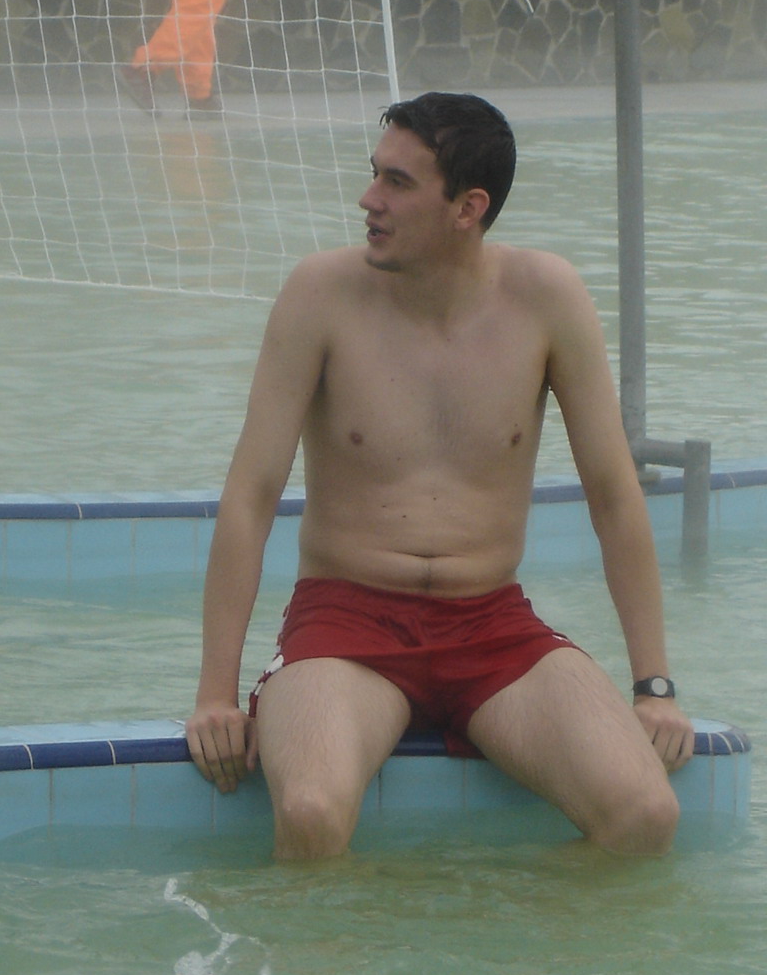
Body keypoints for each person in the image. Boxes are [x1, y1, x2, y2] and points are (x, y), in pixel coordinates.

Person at [185, 91, 694, 860]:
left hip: (491, 624)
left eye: (397, 183)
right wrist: (214, 695)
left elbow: (615, 498)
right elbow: (252, 496)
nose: (369, 199)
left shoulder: (546, 297)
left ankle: (490, 930)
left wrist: (654, 687)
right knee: (312, 812)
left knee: (646, 815)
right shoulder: (320, 294)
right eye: (374, 174)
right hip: (345, 623)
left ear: (468, 208)